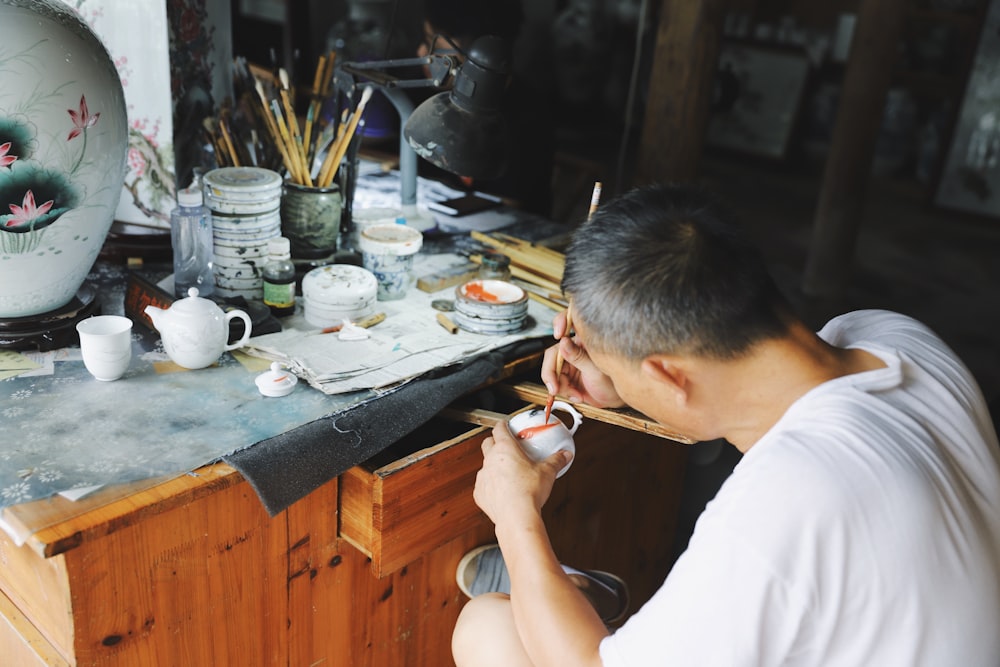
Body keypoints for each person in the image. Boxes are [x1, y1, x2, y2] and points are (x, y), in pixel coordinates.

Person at [451, 183, 1000, 666]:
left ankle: (562, 593)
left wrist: (515, 517)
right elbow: (755, 400)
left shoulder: (780, 506)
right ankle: (571, 598)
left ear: (670, 376)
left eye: (605, 357)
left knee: (488, 632)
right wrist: (626, 384)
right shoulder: (890, 335)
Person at [414, 0, 555, 217]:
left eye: (432, 43)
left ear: (475, 53)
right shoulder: (432, 99)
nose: (422, 52)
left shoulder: (528, 115)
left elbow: (509, 205)